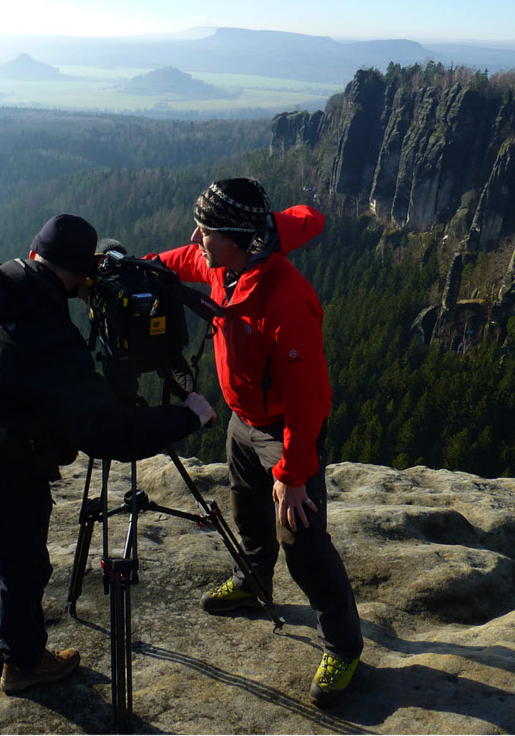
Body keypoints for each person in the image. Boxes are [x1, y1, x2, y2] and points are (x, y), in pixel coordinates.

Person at [0, 213, 216, 694]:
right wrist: (189, 416)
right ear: (82, 273)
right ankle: (24, 664)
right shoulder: (47, 329)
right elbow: (107, 430)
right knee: (20, 567)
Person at [155, 179, 363, 707]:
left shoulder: (285, 298)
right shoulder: (228, 259)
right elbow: (186, 257)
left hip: (282, 431)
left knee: (302, 538)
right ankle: (253, 581)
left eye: (207, 229)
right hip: (241, 421)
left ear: (241, 239)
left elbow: (310, 400)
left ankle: (343, 645)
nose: (196, 236)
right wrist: (138, 265)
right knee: (246, 509)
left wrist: (293, 477)